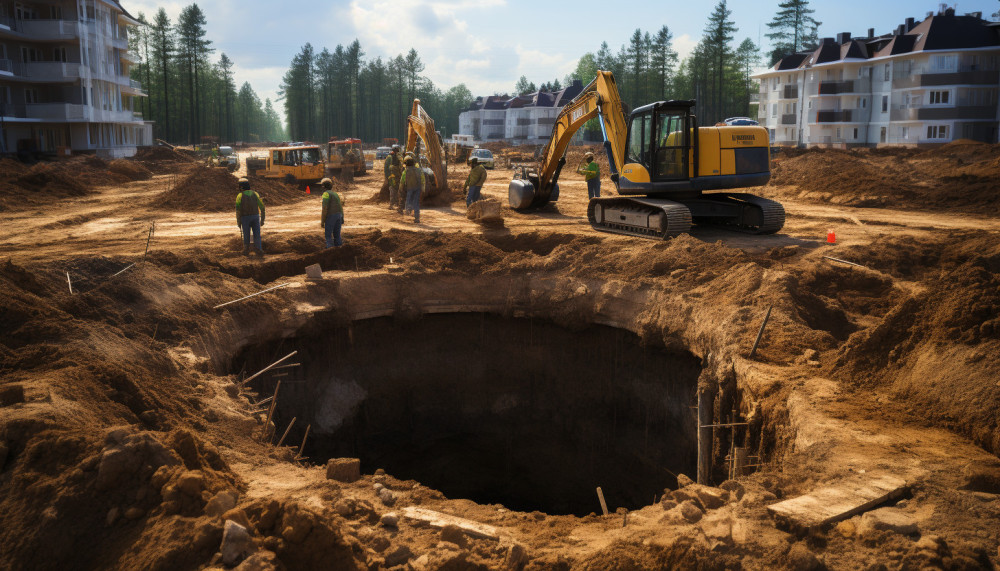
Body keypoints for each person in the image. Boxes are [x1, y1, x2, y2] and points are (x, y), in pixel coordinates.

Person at [235, 177, 265, 256]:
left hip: (245, 218)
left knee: (246, 234)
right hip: (255, 217)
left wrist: (238, 222)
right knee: (257, 234)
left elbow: (237, 210)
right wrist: (262, 219)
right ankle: (259, 249)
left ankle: (246, 250)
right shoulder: (255, 194)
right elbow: (262, 206)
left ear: (241, 187)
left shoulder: (239, 196)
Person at [399, 155, 425, 224]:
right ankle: (417, 218)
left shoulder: (405, 171)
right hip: (417, 188)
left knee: (408, 200)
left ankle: (408, 211)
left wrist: (400, 188)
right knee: (416, 203)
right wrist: (423, 188)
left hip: (409, 188)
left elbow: (402, 181)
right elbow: (422, 179)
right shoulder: (419, 170)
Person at [319, 177, 345, 248]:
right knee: (337, 235)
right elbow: (340, 206)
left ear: (323, 186)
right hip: (339, 215)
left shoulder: (326, 194)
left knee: (328, 235)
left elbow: (324, 208)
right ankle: (339, 250)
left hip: (331, 216)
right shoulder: (335, 194)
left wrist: (322, 221)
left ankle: (330, 250)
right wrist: (342, 217)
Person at [384, 145, 403, 210]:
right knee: (398, 190)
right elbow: (401, 167)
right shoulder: (399, 157)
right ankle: (397, 204)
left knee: (392, 190)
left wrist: (387, 176)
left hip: (391, 177)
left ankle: (392, 204)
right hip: (397, 176)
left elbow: (386, 168)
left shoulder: (388, 157)